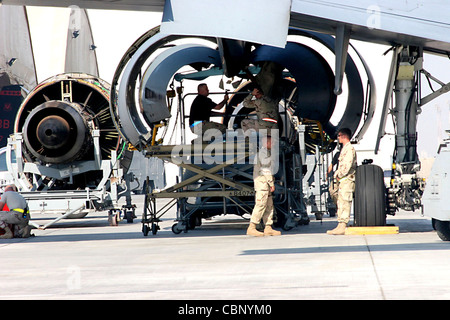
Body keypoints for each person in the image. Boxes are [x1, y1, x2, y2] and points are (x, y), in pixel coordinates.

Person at [246, 135, 281, 237]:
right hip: (262, 184)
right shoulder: (263, 154)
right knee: (260, 205)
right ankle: (252, 227)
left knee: (269, 206)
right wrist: (271, 183)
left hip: (265, 184)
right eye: (272, 142)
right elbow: (266, 170)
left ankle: (268, 227)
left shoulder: (266, 153)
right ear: (266, 143)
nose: (273, 144)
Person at [327, 128, 357, 235]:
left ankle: (343, 224)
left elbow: (347, 166)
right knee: (341, 202)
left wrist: (338, 174)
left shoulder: (349, 149)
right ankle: (340, 224)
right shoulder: (344, 149)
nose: (338, 138)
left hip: (347, 180)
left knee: (345, 202)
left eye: (339, 136)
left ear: (343, 136)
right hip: (343, 181)